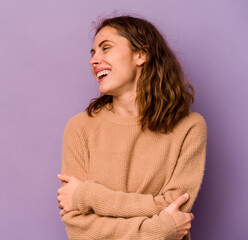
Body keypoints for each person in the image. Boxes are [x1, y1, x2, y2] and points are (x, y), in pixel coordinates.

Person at [57, 15, 207, 240]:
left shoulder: (189, 127)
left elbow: (176, 208)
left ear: (141, 54)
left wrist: (86, 195)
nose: (93, 60)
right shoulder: (80, 128)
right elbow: (79, 228)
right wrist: (161, 229)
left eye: (105, 48)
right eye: (92, 53)